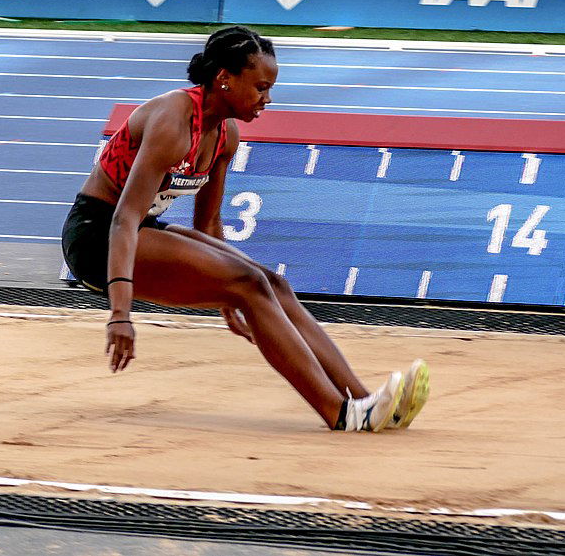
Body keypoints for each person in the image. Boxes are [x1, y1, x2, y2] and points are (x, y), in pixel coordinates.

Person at [61, 26, 429, 432]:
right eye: (260, 87)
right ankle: (340, 414)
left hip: (141, 228)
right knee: (250, 282)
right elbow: (123, 218)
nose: (267, 99)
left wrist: (224, 296)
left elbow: (208, 223)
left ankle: (365, 401)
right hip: (98, 237)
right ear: (224, 79)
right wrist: (119, 315)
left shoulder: (226, 135)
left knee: (272, 283)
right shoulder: (172, 119)